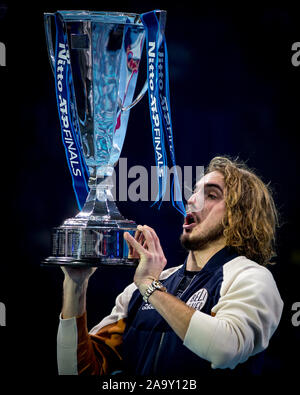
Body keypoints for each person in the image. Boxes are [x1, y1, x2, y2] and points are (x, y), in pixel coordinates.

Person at [57, 156, 283, 376]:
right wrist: (75, 284)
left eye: (211, 195)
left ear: (240, 215)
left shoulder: (251, 278)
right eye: (194, 192)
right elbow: (76, 370)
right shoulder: (139, 291)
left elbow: (225, 350)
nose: (192, 200)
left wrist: (149, 286)